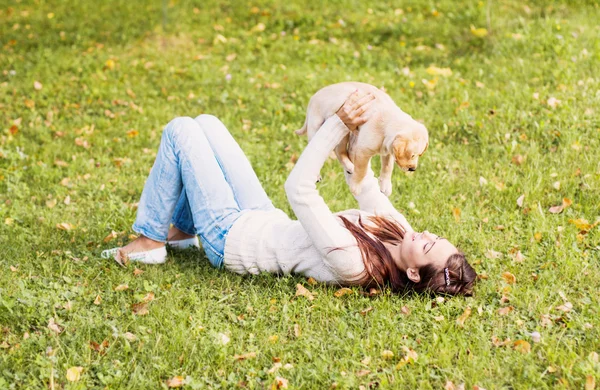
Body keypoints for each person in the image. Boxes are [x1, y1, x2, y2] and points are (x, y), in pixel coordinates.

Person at [101, 91, 476, 295]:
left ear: (412, 272)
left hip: (230, 240)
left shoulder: (353, 262)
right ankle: (182, 234)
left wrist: (334, 125)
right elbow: (362, 185)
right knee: (207, 123)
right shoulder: (400, 231)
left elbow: (299, 189)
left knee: (182, 130)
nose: (425, 234)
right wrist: (370, 127)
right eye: (435, 236)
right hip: (261, 216)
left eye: (428, 245)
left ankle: (150, 241)